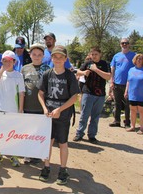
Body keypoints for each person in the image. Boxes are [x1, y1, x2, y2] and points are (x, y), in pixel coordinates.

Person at [38, 45, 80, 185]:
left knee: (63, 142)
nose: (57, 59)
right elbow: (41, 93)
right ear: (51, 58)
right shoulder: (47, 74)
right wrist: (44, 108)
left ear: (65, 59)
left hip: (63, 114)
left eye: (61, 57)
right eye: (55, 56)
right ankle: (46, 167)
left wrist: (60, 109)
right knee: (47, 142)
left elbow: (74, 97)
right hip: (49, 114)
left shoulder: (69, 75)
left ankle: (63, 170)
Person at [0, 50, 25, 167]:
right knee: (0, 132)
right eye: (4, 61)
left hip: (13, 110)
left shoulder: (19, 75)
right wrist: (1, 70)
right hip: (0, 108)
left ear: (14, 62)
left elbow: (21, 93)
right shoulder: (0, 73)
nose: (7, 63)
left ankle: (13, 155)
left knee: (13, 133)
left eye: (9, 61)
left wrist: (20, 109)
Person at [73, 47, 111, 143]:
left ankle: (92, 135)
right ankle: (79, 133)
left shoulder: (105, 64)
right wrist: (83, 72)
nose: (94, 56)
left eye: (96, 54)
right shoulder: (87, 63)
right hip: (88, 92)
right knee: (84, 114)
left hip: (100, 94)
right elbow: (77, 72)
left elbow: (108, 76)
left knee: (95, 116)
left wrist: (96, 69)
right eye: (92, 54)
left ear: (100, 54)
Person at [21, 43, 50, 164]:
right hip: (28, 105)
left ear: (43, 56)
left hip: (41, 106)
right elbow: (21, 88)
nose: (37, 57)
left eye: (39, 55)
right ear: (30, 55)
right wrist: (21, 107)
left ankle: (37, 154)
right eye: (34, 54)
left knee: (38, 132)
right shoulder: (25, 68)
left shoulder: (48, 69)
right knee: (27, 131)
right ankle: (27, 153)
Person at [109, 38, 136, 127]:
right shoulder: (116, 56)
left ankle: (127, 122)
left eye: (126, 43)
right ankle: (116, 121)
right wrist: (111, 81)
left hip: (129, 84)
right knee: (117, 103)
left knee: (128, 104)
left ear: (129, 44)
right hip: (117, 83)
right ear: (120, 44)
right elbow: (113, 69)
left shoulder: (134, 55)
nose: (124, 44)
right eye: (122, 43)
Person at [124, 54, 143, 134]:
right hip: (132, 94)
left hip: (141, 94)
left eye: (141, 59)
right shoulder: (131, 70)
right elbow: (128, 81)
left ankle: (142, 128)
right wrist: (126, 91)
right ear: (135, 60)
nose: (139, 60)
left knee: (141, 111)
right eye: (138, 58)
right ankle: (132, 126)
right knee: (133, 110)